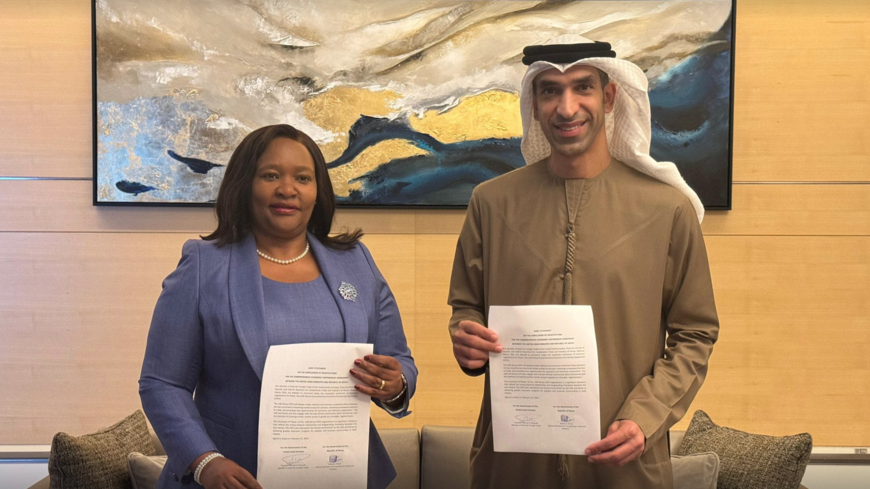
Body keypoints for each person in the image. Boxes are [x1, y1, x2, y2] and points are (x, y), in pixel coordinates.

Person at [448, 39, 719, 488]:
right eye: (550, 91)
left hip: (623, 468)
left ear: (609, 97)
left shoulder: (667, 210)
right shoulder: (491, 204)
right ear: (534, 105)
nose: (566, 107)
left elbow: (695, 333)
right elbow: (466, 307)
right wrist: (466, 339)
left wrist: (646, 417)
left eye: (582, 88)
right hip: (514, 467)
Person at [140, 124, 417, 489]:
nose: (287, 189)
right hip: (232, 477)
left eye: (303, 177)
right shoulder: (204, 265)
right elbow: (162, 382)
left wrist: (394, 386)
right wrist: (205, 461)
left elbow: (401, 363)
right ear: (245, 184)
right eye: (270, 175)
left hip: (340, 474)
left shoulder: (356, 262)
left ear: (317, 191)